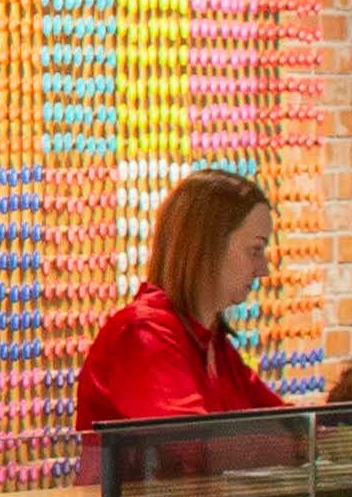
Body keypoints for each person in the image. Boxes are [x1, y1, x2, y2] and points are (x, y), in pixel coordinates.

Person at [75, 167, 292, 432]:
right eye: (255, 250)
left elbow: (285, 422)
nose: (263, 270)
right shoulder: (144, 334)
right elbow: (195, 446)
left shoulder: (213, 344)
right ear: (210, 246)